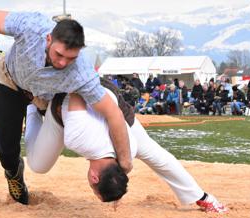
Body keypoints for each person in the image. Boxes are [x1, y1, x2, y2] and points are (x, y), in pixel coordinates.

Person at [0, 11, 132, 204]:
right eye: (59, 54)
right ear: (49, 39)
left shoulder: (82, 72)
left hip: (45, 97)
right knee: (5, 149)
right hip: (10, 81)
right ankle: (14, 174)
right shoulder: (32, 25)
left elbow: (113, 113)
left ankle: (34, 120)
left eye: (70, 58)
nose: (63, 62)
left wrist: (124, 163)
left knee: (53, 128)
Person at [23, 83, 227, 213]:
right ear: (94, 178)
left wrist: (116, 189)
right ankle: (32, 107)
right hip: (77, 97)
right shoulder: (77, 138)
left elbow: (116, 121)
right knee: (38, 164)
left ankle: (203, 197)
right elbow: (76, 88)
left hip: (110, 106)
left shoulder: (128, 154)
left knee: (157, 155)